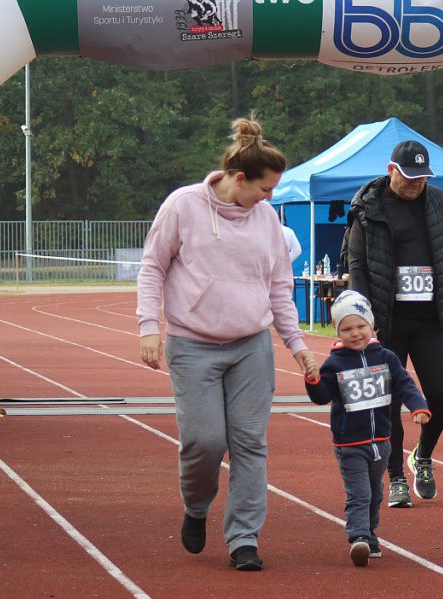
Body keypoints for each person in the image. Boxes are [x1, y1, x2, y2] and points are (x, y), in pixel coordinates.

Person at [136, 117, 318, 571]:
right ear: (240, 179)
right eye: (265, 189)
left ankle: (244, 538)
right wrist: (147, 327)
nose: (270, 198)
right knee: (204, 441)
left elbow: (280, 286)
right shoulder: (183, 206)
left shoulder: (267, 221)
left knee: (250, 443)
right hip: (192, 345)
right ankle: (196, 507)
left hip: (250, 347)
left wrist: (296, 343)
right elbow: (152, 267)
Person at [345, 140, 443, 508]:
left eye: (422, 177)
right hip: (386, 321)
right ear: (392, 171)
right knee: (388, 402)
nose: (416, 183)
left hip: (429, 317)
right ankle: (396, 477)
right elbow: (357, 265)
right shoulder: (368, 207)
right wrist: (361, 318)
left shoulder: (436, 201)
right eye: (409, 176)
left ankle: (422, 456)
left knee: (441, 397)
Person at [304, 291, 430, 566]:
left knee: (375, 493)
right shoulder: (335, 363)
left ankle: (369, 534)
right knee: (359, 493)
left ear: (372, 326)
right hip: (350, 443)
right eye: (346, 329)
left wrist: (418, 406)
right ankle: (358, 536)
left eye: (360, 326)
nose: (355, 333)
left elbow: (404, 384)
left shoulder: (386, 358)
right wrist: (313, 380)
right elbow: (321, 396)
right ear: (338, 332)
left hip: (382, 440)